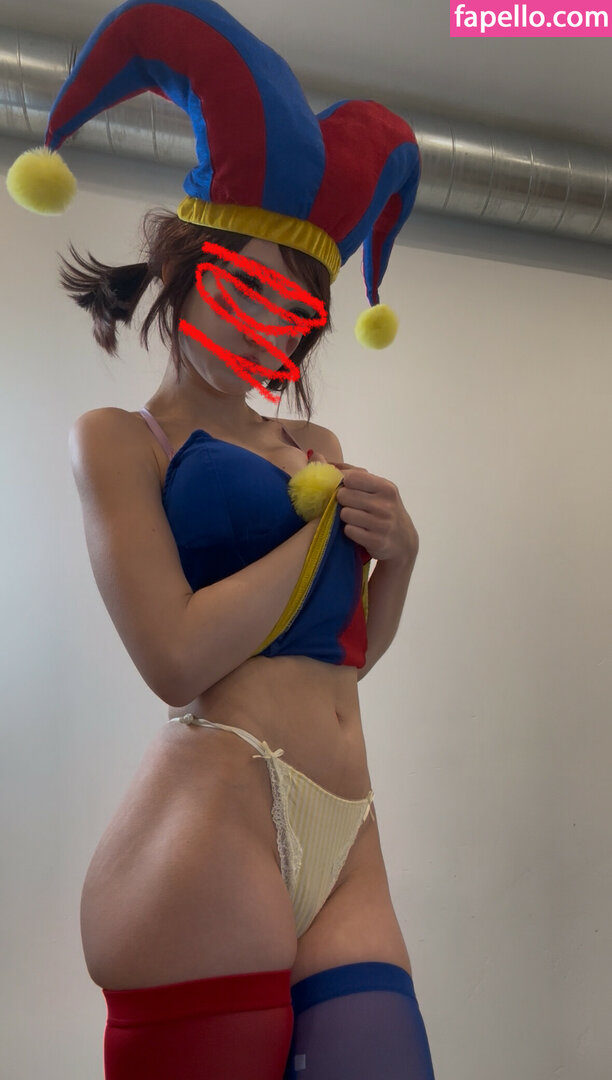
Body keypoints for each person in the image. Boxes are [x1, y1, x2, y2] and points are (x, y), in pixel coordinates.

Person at [7, 2, 435, 1077]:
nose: (265, 328)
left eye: (294, 314)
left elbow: (342, 659)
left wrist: (398, 559)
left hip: (350, 827)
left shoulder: (313, 443)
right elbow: (175, 657)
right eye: (247, 290)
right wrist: (318, 539)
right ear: (183, 269)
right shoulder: (119, 438)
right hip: (213, 822)